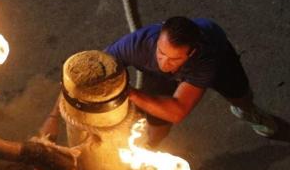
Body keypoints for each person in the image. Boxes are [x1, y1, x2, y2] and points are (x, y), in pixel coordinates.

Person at [39, 16, 277, 146]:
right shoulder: (137, 45)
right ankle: (148, 150)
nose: (164, 62)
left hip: (221, 59)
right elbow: (84, 77)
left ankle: (249, 111)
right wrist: (53, 119)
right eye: (161, 53)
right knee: (156, 120)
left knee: (239, 94)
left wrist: (129, 92)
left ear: (191, 52)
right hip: (159, 77)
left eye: (173, 58)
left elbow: (178, 111)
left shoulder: (205, 59)